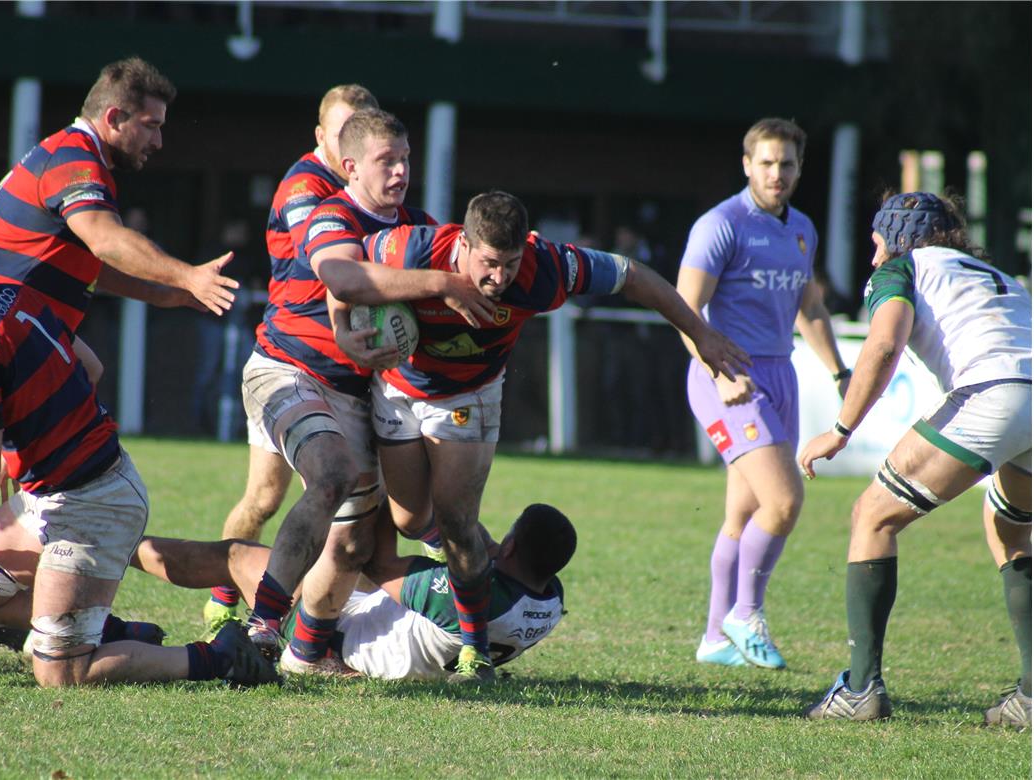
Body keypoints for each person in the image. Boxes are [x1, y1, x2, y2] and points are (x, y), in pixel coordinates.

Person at [318, 190, 750, 682]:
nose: (499, 278)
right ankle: (480, 571)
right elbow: (342, 272)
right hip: (398, 390)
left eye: (510, 263)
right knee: (413, 519)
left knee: (457, 519)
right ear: (463, 242)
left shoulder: (547, 267)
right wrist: (340, 327)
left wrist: (700, 333)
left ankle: (473, 650)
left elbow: (633, 274)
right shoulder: (411, 250)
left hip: (470, 396)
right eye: (488, 263)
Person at [0, 218, 277, 688]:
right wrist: (38, 438)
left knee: (60, 671)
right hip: (57, 489)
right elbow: (90, 367)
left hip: (91, 502)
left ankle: (220, 658)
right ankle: (110, 633)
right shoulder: (8, 291)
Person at [240, 107, 495, 677]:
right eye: (388, 160)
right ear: (351, 167)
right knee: (328, 476)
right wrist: (440, 283)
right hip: (289, 369)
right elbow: (343, 277)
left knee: (354, 544)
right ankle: (260, 623)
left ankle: (305, 656)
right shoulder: (332, 216)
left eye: (406, 159)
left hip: (360, 395)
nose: (401, 170)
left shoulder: (420, 229)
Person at [797, 192, 1031, 727]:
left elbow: (883, 345)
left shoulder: (901, 269)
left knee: (873, 516)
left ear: (900, 237)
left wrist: (839, 430)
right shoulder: (990, 273)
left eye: (878, 241)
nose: (874, 255)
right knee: (1010, 529)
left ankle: (860, 690)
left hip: (996, 392)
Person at [201, 84, 381, 639]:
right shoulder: (306, 186)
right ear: (322, 136)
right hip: (291, 359)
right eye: (341, 128)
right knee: (266, 497)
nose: (350, 139)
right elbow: (325, 255)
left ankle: (302, 613)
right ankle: (228, 598)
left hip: (344, 374)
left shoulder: (369, 185)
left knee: (307, 495)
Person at [675, 117, 848, 670]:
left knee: (743, 514)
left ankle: (714, 638)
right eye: (767, 163)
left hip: (779, 375)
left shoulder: (801, 229)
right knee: (784, 501)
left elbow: (811, 308)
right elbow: (684, 310)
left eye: (788, 164)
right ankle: (745, 613)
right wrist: (720, 373)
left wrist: (841, 373)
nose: (777, 173)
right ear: (747, 164)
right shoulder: (721, 224)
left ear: (799, 168)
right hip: (727, 378)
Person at [0, 56, 239, 355]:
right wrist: (189, 276)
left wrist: (171, 293)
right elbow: (107, 242)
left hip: (4, 327)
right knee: (83, 378)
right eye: (150, 126)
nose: (158, 141)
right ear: (113, 118)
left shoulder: (74, 155)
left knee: (90, 370)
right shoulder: (73, 159)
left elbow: (98, 268)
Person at [135, 504, 575, 681]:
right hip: (399, 633)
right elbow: (486, 552)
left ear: (514, 546)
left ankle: (121, 550)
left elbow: (379, 563)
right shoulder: (548, 598)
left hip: (345, 641)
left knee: (237, 558)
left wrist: (389, 488)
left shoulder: (469, 595)